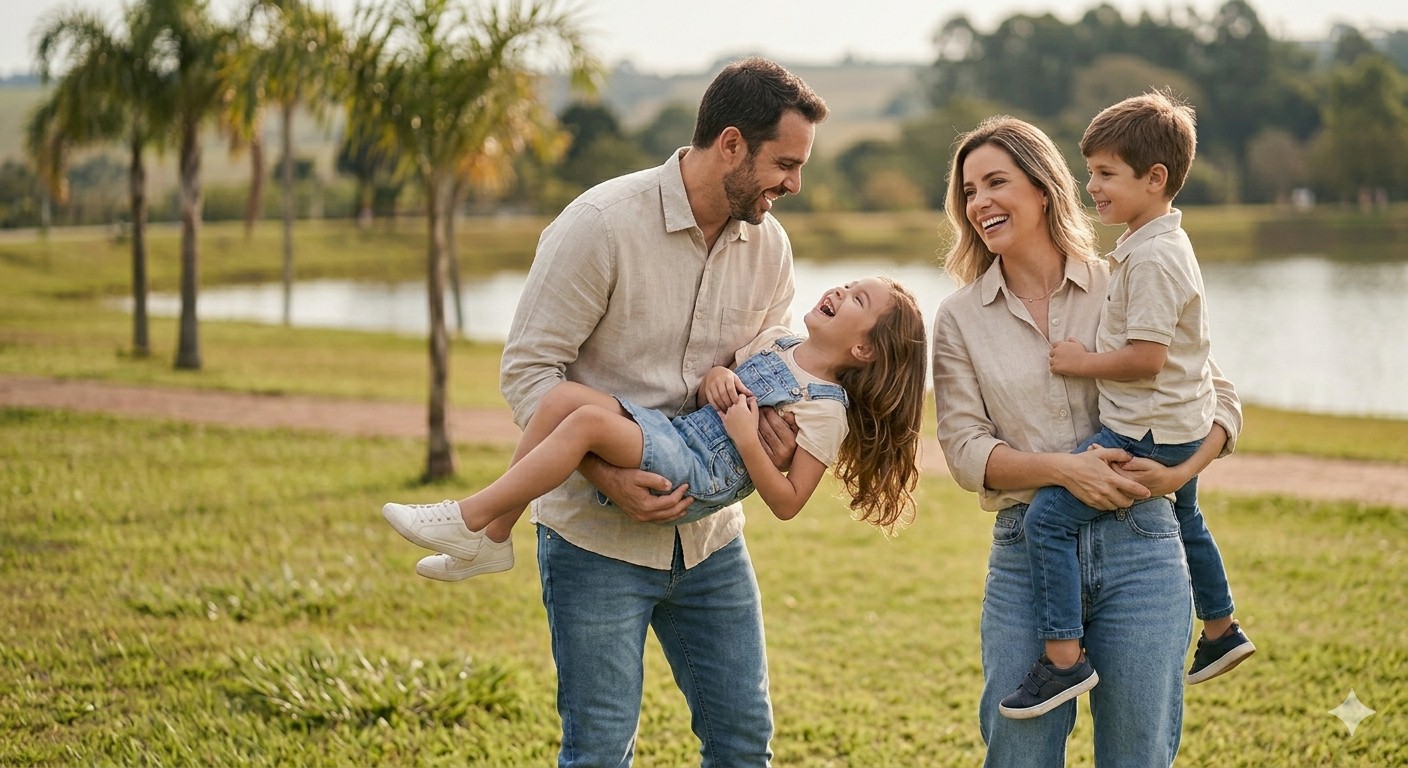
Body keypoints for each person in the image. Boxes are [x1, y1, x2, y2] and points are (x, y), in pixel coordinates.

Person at [390, 57, 825, 765]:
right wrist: (605, 473)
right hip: (595, 544)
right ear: (731, 145)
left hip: (711, 543)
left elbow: (762, 370)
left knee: (744, 741)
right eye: (785, 163)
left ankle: (477, 522)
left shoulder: (770, 247)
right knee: (598, 750)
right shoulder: (600, 224)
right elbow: (530, 373)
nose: (794, 185)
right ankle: (483, 523)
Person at [931, 115, 1244, 766]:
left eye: (996, 182)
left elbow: (1218, 395)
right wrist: (1067, 472)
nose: (979, 201)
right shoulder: (959, 318)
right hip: (1028, 555)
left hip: (1143, 552)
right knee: (1018, 752)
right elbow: (965, 453)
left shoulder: (1121, 277)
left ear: (1043, 188)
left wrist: (1181, 476)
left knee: (1138, 755)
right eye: (968, 191)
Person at [381, 276, 927, 578]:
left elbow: (786, 501)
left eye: (858, 300)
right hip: (680, 433)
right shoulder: (776, 342)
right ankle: (494, 539)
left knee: (588, 422)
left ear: (862, 348)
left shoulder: (826, 410)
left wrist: (745, 439)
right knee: (562, 397)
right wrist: (717, 375)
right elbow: (727, 377)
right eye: (849, 284)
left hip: (699, 474)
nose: (839, 291)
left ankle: (468, 516)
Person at [998, 91, 1254, 720]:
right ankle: (1221, 628)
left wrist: (1078, 361)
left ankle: (1062, 660)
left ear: (1155, 178)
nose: (1092, 188)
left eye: (1106, 174)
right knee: (1188, 517)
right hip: (1175, 423)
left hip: (1142, 431)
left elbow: (1145, 358)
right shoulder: (1150, 247)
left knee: (1047, 522)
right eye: (1090, 173)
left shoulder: (1155, 259)